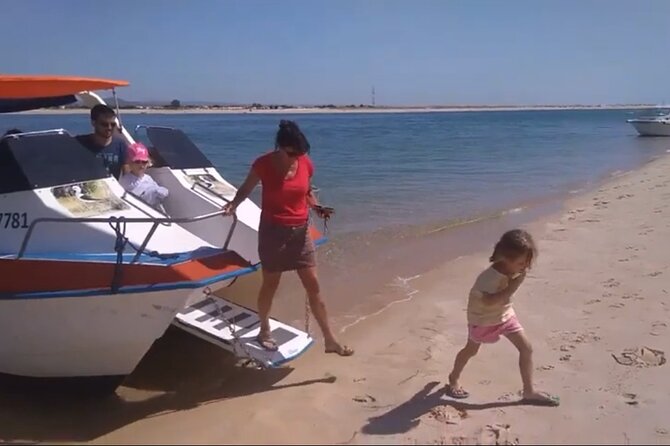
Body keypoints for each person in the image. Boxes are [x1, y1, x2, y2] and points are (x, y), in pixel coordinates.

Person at [223, 120, 353, 356]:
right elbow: (246, 188)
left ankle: (330, 340)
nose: (296, 158)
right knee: (271, 284)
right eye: (292, 153)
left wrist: (316, 207)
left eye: (300, 153)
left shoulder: (304, 162)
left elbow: (307, 190)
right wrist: (233, 204)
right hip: (273, 232)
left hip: (300, 232)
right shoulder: (263, 164)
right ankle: (264, 331)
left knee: (313, 286)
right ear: (280, 147)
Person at [446, 229, 559, 406]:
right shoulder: (488, 278)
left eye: (527, 262)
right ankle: (453, 378)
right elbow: (491, 301)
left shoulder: (511, 270)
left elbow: (503, 298)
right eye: (522, 263)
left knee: (526, 348)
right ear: (506, 258)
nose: (525, 267)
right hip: (482, 320)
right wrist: (515, 285)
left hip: (505, 316)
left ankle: (528, 391)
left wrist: (515, 280)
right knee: (471, 350)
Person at [76, 104, 128, 179]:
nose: (109, 128)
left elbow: (126, 173)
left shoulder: (120, 145)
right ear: (93, 123)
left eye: (113, 124)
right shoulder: (80, 143)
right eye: (104, 124)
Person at [119, 142, 168, 209]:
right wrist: (152, 192)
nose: (141, 165)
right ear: (129, 162)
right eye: (137, 162)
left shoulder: (148, 178)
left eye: (144, 162)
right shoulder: (125, 181)